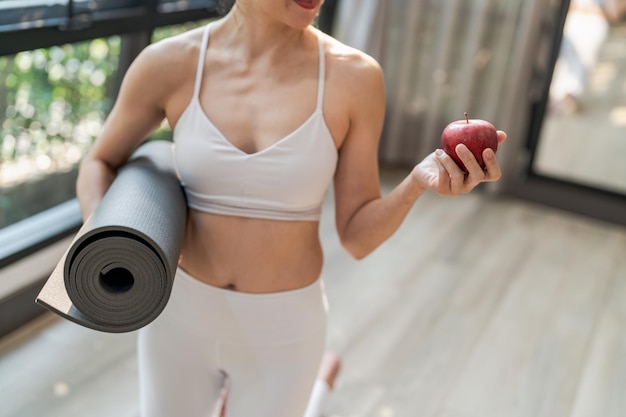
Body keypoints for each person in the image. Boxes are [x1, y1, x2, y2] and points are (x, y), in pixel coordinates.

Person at [75, 0, 507, 416]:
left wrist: (414, 184)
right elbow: (100, 161)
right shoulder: (170, 62)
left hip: (283, 331)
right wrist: (103, 246)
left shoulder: (354, 77)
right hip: (177, 316)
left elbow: (356, 237)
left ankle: (318, 384)